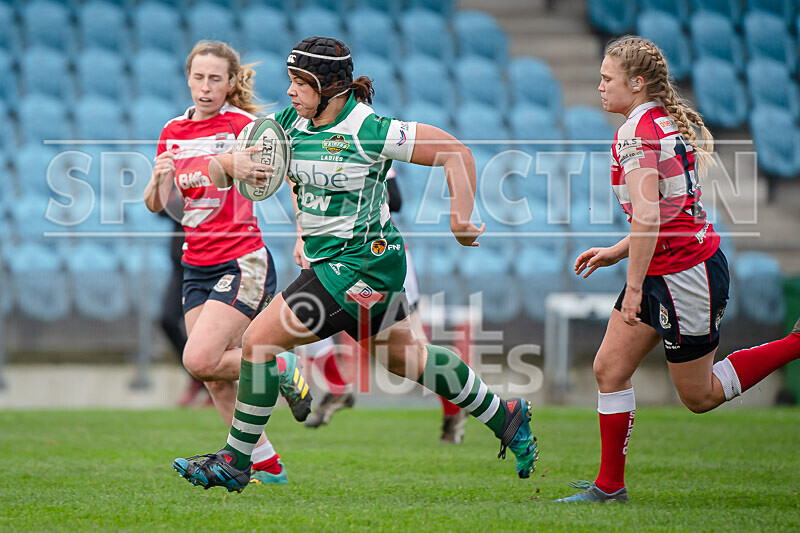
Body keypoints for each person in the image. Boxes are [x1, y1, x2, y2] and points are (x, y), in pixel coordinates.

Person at [172, 36, 538, 492]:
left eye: (300, 84)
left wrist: (460, 217)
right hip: (334, 264)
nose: (289, 92)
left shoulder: (369, 128)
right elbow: (219, 170)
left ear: (332, 88)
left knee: (259, 342)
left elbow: (455, 153)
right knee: (408, 358)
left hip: (363, 266)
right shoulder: (288, 123)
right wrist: (233, 164)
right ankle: (504, 414)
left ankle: (237, 460)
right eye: (290, 81)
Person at [555, 36, 800, 503]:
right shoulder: (656, 121)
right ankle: (610, 487)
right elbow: (665, 213)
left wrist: (631, 287)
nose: (600, 86)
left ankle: (796, 343)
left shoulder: (636, 132)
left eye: (608, 79)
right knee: (609, 368)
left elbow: (651, 217)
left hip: (687, 275)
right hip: (664, 266)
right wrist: (617, 251)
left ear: (637, 82)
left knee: (699, 396)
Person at [143, 40, 314, 486]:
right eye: (198, 77)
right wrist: (159, 182)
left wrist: (302, 232)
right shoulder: (173, 129)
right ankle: (268, 466)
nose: (205, 86)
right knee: (216, 378)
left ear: (230, 82)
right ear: (188, 79)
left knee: (199, 359)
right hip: (194, 265)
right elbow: (158, 203)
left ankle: (278, 367)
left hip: (241, 261)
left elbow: (289, 178)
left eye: (215, 78)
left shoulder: (246, 126)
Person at [303, 167, 470, 445]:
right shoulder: (317, 149)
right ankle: (338, 388)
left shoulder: (367, 145)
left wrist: (344, 195)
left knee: (412, 348)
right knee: (306, 317)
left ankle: (456, 409)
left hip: (380, 261)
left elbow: (396, 198)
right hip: (339, 260)